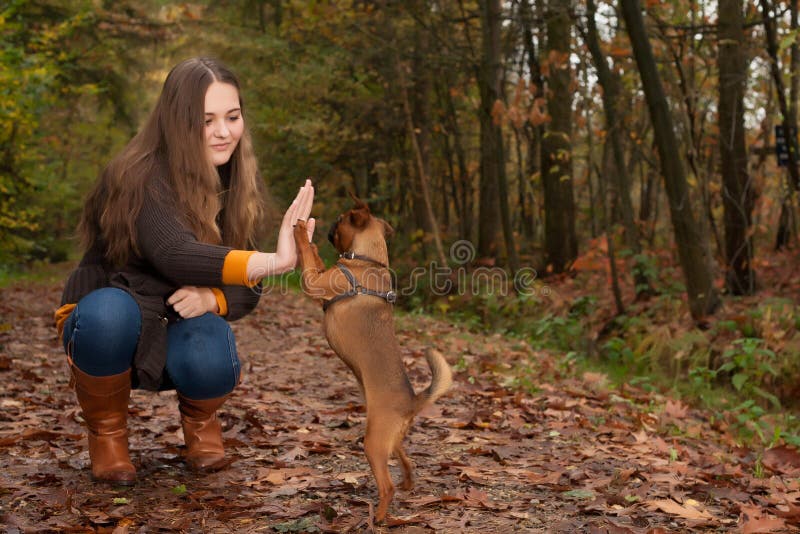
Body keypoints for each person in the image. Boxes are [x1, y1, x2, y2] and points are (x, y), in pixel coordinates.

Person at [53, 57, 315, 485]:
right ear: (177, 122)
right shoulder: (139, 173)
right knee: (109, 313)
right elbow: (175, 253)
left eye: (232, 117)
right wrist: (275, 260)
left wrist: (215, 298)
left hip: (175, 324)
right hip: (109, 326)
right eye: (205, 120)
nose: (223, 132)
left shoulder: (233, 180)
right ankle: (108, 437)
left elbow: (246, 286)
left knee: (210, 338)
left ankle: (201, 431)